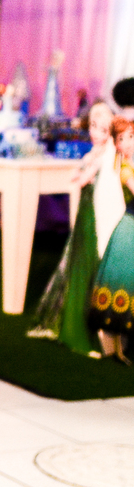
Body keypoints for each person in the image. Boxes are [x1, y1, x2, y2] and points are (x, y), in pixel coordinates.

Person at [29, 101, 126, 355]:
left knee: (93, 270)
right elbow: (82, 174)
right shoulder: (94, 154)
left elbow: (92, 178)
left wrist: (84, 174)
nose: (95, 133)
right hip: (87, 218)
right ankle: (80, 333)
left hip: (99, 217)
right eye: (93, 127)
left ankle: (96, 336)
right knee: (81, 270)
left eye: (103, 130)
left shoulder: (109, 156)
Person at [89, 116, 134, 363]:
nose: (127, 143)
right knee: (123, 286)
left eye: (131, 137)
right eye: (121, 138)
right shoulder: (126, 168)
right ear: (115, 144)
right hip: (130, 230)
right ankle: (113, 347)